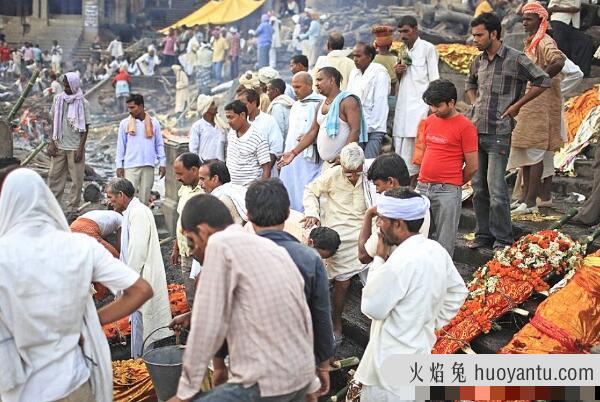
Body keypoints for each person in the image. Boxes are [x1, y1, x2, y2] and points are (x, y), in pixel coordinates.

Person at [0, 168, 152, 402]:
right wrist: (92, 320)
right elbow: (141, 290)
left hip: (21, 389)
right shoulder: (79, 246)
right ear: (47, 200)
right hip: (74, 381)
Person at [170, 194, 315, 401]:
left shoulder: (219, 245)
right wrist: (310, 386)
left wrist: (184, 393)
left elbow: (205, 328)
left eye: (191, 243)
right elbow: (302, 316)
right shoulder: (272, 249)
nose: (194, 253)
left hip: (263, 384)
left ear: (202, 232)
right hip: (300, 377)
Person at [355, 187, 468, 401]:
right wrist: (430, 321)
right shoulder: (435, 250)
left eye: (381, 220)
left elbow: (371, 308)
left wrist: (379, 259)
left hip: (388, 368)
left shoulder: (399, 262)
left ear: (398, 224)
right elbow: (458, 292)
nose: (378, 226)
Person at [466, 12, 550, 250]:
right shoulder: (478, 61)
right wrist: (474, 104)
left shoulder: (516, 59)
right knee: (479, 188)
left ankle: (503, 239)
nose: (475, 39)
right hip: (477, 130)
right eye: (473, 35)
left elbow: (543, 80)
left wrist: (516, 106)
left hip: (499, 132)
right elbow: (469, 83)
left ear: (494, 34)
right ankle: (483, 235)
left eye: (479, 35)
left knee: (496, 188)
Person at [245, 179, 334, 400]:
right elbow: (321, 316)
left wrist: (219, 364)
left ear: (248, 214)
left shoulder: (235, 254)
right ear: (287, 213)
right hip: (294, 367)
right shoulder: (308, 258)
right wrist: (323, 365)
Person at [303, 143, 370, 346]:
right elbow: (310, 191)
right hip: (339, 238)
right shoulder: (332, 175)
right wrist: (312, 213)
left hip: (365, 236)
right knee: (342, 284)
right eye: (347, 172)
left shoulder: (369, 177)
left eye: (355, 173)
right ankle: (336, 324)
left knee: (373, 282)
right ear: (340, 164)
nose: (351, 176)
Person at [105, 178, 173, 358]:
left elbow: (137, 251)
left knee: (143, 326)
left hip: (141, 278)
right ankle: (139, 360)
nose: (108, 201)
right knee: (139, 324)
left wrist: (128, 281)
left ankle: (143, 364)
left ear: (121, 195)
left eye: (110, 197)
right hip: (137, 278)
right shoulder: (130, 211)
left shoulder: (138, 213)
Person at [509, 3, 566, 215]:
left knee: (534, 154)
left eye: (529, 19)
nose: (525, 23)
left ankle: (531, 201)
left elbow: (558, 61)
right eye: (523, 19)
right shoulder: (532, 42)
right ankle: (524, 199)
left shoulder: (545, 41)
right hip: (529, 106)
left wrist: (540, 80)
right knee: (525, 150)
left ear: (541, 21)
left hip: (541, 107)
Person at [416, 79, 478, 256]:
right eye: (431, 106)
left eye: (438, 106)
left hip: (447, 190)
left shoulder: (465, 126)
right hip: (423, 186)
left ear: (451, 102)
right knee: (418, 238)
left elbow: (473, 166)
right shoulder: (429, 121)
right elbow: (426, 150)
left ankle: (441, 280)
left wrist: (454, 183)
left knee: (444, 242)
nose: (434, 110)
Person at [279, 67, 367, 171]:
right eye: (316, 80)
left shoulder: (347, 101)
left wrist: (344, 156)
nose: (316, 84)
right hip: (327, 165)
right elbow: (312, 132)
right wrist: (293, 152)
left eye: (320, 80)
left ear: (332, 80)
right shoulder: (320, 104)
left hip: (345, 164)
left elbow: (355, 130)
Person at [358, 153, 432, 265]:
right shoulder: (421, 201)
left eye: (377, 185)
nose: (377, 190)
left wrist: (368, 214)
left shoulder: (391, 213)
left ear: (391, 182)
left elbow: (363, 256)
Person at [393, 15, 440, 185]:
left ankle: (415, 186)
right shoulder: (402, 50)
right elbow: (401, 79)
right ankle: (405, 186)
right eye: (400, 32)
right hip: (404, 107)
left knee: (418, 150)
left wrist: (432, 106)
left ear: (415, 29)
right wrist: (398, 71)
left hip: (420, 107)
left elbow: (435, 80)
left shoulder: (428, 48)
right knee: (402, 148)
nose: (403, 35)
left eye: (406, 31)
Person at [279, 72, 324, 211]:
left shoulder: (320, 103)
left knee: (308, 188)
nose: (295, 90)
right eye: (293, 87)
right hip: (292, 157)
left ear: (309, 85)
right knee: (291, 187)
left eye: (298, 87)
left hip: (310, 159)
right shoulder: (296, 105)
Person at [47, 72, 91, 212]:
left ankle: (72, 208)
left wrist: (80, 148)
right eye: (64, 85)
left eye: (68, 86)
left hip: (75, 147)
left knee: (77, 180)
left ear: (74, 85)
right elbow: (53, 121)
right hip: (59, 144)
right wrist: (52, 142)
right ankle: (53, 207)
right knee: (54, 177)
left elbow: (86, 128)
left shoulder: (83, 103)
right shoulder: (57, 99)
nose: (65, 88)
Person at [116, 94, 166, 205]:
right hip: (130, 166)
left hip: (148, 165)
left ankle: (142, 221)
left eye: (132, 107)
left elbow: (159, 144)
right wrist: (119, 165)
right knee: (128, 198)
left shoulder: (154, 123)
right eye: (128, 107)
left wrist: (162, 163)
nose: (130, 111)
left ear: (141, 106)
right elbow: (121, 146)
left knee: (145, 198)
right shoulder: (124, 124)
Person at [348, 42, 390, 158]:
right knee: (356, 163)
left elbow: (380, 103)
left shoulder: (379, 73)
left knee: (369, 162)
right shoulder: (354, 73)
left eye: (359, 56)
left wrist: (372, 128)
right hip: (357, 126)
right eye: (354, 56)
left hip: (374, 127)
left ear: (370, 56)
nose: (355, 59)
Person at [172, 153, 204, 305]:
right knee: (190, 296)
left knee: (202, 297)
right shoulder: (184, 189)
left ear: (194, 170)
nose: (177, 178)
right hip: (185, 251)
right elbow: (180, 220)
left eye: (180, 174)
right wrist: (176, 247)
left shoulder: (205, 191)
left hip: (199, 255)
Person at [224, 100, 271, 186]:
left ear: (242, 115)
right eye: (227, 118)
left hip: (250, 190)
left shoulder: (257, 137)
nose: (228, 121)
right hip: (231, 188)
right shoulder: (231, 133)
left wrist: (261, 191)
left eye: (231, 117)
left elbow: (266, 168)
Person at [237, 89, 284, 173]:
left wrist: (265, 173)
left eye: (244, 104)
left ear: (254, 103)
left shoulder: (268, 121)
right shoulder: (239, 122)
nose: (241, 108)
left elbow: (275, 149)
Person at [548, 0, 594, 76]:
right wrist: (569, 9)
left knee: (585, 42)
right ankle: (554, 73)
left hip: (573, 24)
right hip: (560, 21)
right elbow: (550, 7)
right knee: (559, 48)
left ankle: (582, 73)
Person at [199, 159, 248, 224]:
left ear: (215, 179)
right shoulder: (236, 190)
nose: (199, 183)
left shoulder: (221, 200)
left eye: (202, 179)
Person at [189, 94, 227, 161]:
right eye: (212, 104)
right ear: (206, 108)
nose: (215, 106)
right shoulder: (197, 126)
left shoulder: (221, 125)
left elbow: (226, 147)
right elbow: (193, 150)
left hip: (221, 166)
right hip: (205, 167)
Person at [372, 25, 399, 94]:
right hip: (394, 94)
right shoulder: (397, 60)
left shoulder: (373, 60)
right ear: (390, 44)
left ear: (376, 44)